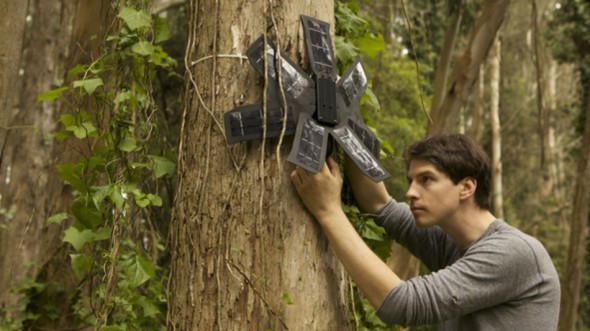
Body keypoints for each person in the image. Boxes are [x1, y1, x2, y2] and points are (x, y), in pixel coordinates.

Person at [290, 133, 560, 330]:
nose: (410, 192)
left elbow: (401, 304)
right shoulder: (455, 242)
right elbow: (380, 206)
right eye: (411, 181)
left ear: (466, 187)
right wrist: (343, 125)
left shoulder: (512, 252)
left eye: (426, 180)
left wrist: (328, 211)